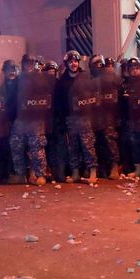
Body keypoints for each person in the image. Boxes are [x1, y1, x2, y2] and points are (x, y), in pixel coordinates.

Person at [55, 50, 98, 183]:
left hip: (85, 117)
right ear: (66, 63)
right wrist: (62, 119)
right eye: (70, 61)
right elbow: (59, 101)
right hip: (70, 118)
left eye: (75, 61)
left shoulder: (85, 77)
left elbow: (93, 97)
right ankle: (75, 172)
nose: (73, 64)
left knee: (87, 144)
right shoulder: (62, 81)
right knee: (73, 145)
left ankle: (92, 171)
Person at [8, 63, 54, 185]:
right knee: (16, 145)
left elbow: (47, 99)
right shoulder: (19, 80)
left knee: (37, 146)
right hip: (21, 118)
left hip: (36, 118)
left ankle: (40, 174)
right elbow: (12, 100)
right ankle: (21, 174)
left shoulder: (42, 81)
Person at [90, 55, 121, 180]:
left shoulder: (111, 78)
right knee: (97, 141)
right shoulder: (89, 79)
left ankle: (114, 165)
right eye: (95, 65)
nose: (98, 67)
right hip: (94, 114)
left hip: (109, 113)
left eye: (100, 65)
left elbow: (119, 96)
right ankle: (101, 167)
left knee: (110, 139)